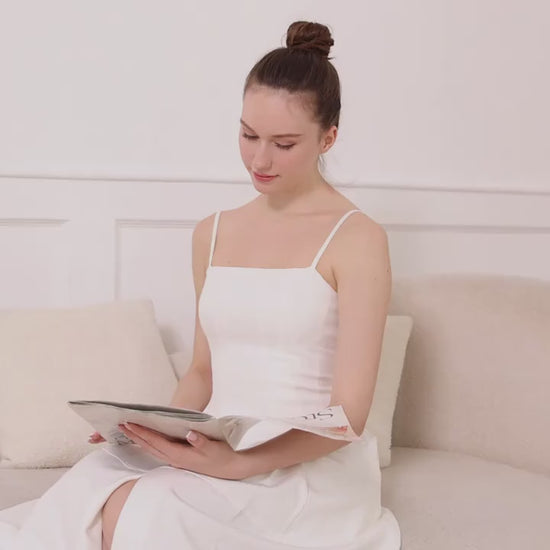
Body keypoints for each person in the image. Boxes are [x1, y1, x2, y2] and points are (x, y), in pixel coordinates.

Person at [0, 20, 401, 550]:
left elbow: (348, 415)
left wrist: (240, 463)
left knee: (145, 510)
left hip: (305, 465)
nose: (259, 160)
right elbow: (202, 372)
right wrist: (152, 434)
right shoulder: (212, 232)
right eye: (248, 135)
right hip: (215, 445)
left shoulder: (358, 238)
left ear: (329, 137)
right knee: (93, 485)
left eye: (283, 143)